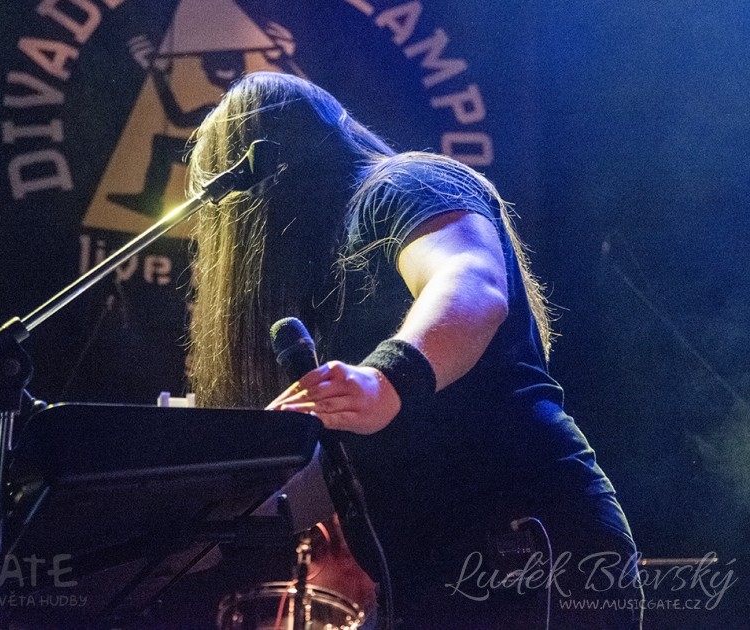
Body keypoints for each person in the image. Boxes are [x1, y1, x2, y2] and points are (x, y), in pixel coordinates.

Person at [186, 72, 643, 629]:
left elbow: (470, 279)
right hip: (423, 575)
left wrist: (388, 378)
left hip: (525, 542)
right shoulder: (305, 284)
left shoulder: (402, 184)